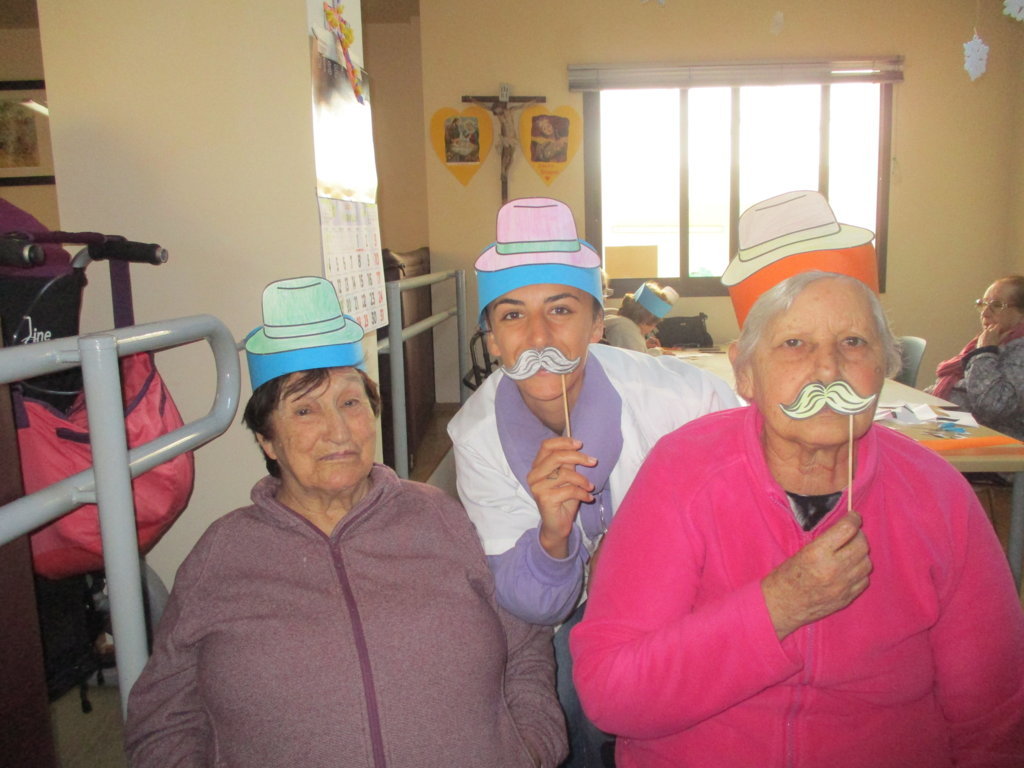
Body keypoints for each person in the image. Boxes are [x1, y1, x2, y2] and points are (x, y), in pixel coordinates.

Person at [571, 271, 1024, 767]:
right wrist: (778, 607)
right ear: (745, 373)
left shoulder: (938, 495)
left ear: (885, 369)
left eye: (853, 342)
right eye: (794, 344)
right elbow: (612, 693)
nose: (828, 368)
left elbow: (994, 717)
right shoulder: (681, 472)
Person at [125, 276, 567, 768]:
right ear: (267, 440)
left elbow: (524, 642)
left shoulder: (441, 518)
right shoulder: (221, 555)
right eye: (305, 410)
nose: (337, 431)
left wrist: (531, 747)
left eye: (351, 403)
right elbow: (163, 718)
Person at [448, 197, 739, 767]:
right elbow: (534, 604)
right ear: (492, 339)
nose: (538, 338)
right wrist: (553, 539)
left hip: (692, 589)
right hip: (573, 616)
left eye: (560, 310)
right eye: (512, 316)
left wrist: (639, 559)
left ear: (598, 325)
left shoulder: (688, 400)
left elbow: (745, 515)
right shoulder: (477, 438)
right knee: (572, 687)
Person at [928, 275, 1024, 441]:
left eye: (996, 305)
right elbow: (958, 384)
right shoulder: (997, 340)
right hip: (955, 425)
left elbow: (994, 405)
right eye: (983, 304)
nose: (985, 313)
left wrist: (983, 352)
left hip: (997, 442)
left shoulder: (1017, 350)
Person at [603, 281, 679, 354]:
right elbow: (638, 359)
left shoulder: (617, 318)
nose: (653, 328)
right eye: (655, 324)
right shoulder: (625, 327)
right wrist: (660, 353)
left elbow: (628, 348)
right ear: (647, 321)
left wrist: (643, 345)